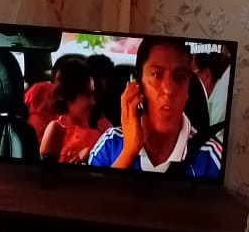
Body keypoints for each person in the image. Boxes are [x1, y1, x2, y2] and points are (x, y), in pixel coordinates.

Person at [88, 37, 222, 178]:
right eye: (157, 74)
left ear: (188, 89)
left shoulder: (212, 158)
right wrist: (128, 151)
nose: (169, 90)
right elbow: (90, 192)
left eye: (180, 76)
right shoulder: (110, 144)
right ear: (136, 84)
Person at [39, 56, 110, 164]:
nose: (93, 102)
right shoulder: (56, 130)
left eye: (93, 94)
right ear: (68, 96)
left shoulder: (102, 131)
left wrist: (92, 153)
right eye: (87, 95)